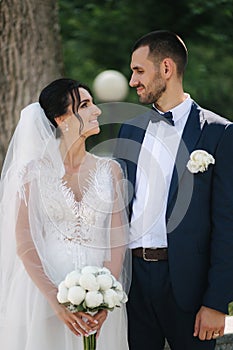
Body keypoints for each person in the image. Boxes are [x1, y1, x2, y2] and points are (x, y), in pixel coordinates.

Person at [114, 30, 233, 350]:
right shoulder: (130, 128)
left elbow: (228, 224)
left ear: (166, 68)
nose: (132, 81)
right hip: (133, 285)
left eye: (139, 70)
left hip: (190, 289)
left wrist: (218, 302)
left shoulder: (219, 133)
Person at [0, 78, 130, 350]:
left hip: (99, 294)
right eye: (85, 105)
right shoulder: (32, 174)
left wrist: (106, 298)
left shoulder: (111, 171)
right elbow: (24, 244)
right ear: (61, 118)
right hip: (42, 294)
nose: (97, 111)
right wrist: (55, 301)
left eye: (93, 103)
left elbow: (117, 240)